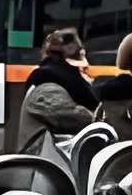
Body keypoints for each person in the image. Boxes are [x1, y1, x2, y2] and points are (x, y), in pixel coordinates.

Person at [18, 27, 99, 157]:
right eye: (81, 57)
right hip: (45, 169)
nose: (87, 65)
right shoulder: (48, 85)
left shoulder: (52, 80)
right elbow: (77, 119)